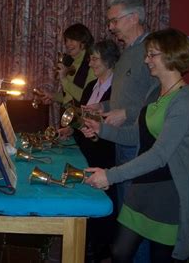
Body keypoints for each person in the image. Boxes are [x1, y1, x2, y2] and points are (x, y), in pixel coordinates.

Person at [82, 28, 189, 262]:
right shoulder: (155, 91)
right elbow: (138, 135)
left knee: (160, 257)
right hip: (145, 184)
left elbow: (159, 155)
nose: (146, 60)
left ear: (171, 56)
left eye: (152, 54)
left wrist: (110, 175)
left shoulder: (186, 100)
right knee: (119, 251)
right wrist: (102, 129)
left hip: (168, 191)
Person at [84, 0, 159, 208]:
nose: (110, 27)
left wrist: (127, 113)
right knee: (124, 204)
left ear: (134, 17)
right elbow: (125, 98)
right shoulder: (128, 52)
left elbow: (160, 101)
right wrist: (103, 106)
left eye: (114, 21)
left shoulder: (151, 51)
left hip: (138, 142)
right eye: (109, 22)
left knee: (133, 208)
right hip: (121, 138)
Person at [61, 39, 120, 261]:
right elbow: (84, 119)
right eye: (91, 58)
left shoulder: (116, 90)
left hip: (104, 152)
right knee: (87, 195)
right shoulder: (90, 86)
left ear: (108, 60)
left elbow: (116, 126)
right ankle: (86, 242)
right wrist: (71, 129)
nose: (91, 63)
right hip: (86, 149)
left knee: (102, 201)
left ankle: (100, 248)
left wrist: (95, 133)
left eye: (95, 59)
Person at [42, 23, 96, 106]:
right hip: (69, 114)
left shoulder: (92, 64)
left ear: (83, 41)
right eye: (66, 40)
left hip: (83, 116)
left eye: (72, 40)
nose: (67, 44)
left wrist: (63, 78)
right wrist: (52, 96)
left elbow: (86, 97)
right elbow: (69, 98)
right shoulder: (70, 62)